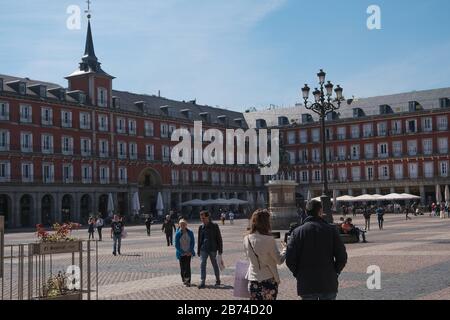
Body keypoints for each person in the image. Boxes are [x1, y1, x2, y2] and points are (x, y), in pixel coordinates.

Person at [286, 200, 347, 300]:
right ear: (320, 211)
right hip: (328, 281)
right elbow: (342, 256)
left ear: (306, 212)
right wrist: (335, 272)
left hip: (306, 282)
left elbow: (290, 259)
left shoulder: (297, 232)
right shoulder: (331, 230)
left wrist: (298, 273)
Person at [244, 209, 286, 300]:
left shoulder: (246, 238)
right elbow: (279, 260)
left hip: (252, 280)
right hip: (268, 280)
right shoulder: (269, 239)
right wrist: (285, 249)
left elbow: (249, 257)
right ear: (266, 222)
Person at [197, 210, 223, 289]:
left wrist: (220, 250)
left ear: (208, 217)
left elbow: (219, 238)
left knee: (215, 264)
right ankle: (202, 281)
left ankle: (218, 279)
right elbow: (199, 240)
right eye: (201, 218)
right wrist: (198, 250)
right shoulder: (201, 227)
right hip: (203, 249)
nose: (202, 220)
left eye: (204, 218)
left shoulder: (214, 226)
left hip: (213, 248)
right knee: (202, 264)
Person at [175, 219, 196, 287]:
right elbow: (176, 245)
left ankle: (188, 281)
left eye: (184, 224)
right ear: (179, 225)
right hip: (181, 253)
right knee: (182, 267)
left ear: (186, 225)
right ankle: (184, 280)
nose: (182, 226)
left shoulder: (190, 232)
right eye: (181, 225)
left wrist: (189, 251)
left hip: (188, 252)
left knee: (187, 267)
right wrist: (182, 252)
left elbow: (192, 242)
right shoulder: (178, 234)